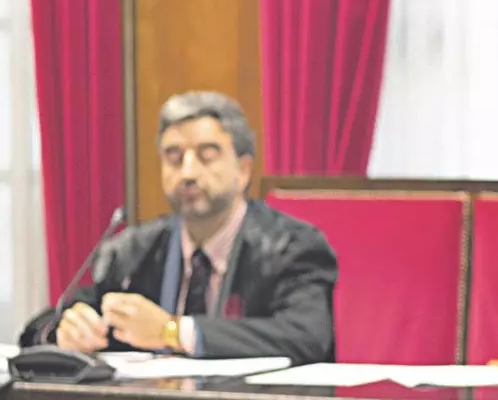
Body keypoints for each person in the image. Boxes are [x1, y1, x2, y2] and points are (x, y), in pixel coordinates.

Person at [19, 91, 337, 364]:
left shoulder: (291, 247)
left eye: (206, 156)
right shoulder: (133, 250)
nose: (187, 172)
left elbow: (307, 336)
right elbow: (39, 328)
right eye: (173, 158)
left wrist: (172, 331)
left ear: (243, 170)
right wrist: (64, 332)